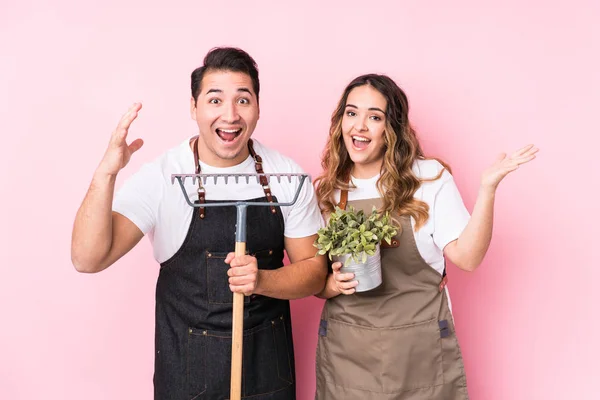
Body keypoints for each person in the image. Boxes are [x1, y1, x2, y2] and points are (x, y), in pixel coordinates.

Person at [71, 47, 327, 400]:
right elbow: (88, 258)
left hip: (269, 376)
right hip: (187, 381)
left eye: (243, 100)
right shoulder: (164, 178)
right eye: (215, 100)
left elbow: (314, 271)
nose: (230, 115)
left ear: (257, 107)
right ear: (194, 107)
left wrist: (263, 279)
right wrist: (107, 172)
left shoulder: (285, 176)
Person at [313, 74, 537, 399]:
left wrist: (487, 189)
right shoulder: (328, 190)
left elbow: (468, 257)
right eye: (351, 113)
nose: (359, 126)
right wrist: (330, 285)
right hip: (347, 355)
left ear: (392, 128)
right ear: (340, 121)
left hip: (417, 355)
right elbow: (312, 276)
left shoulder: (428, 179)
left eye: (374, 117)